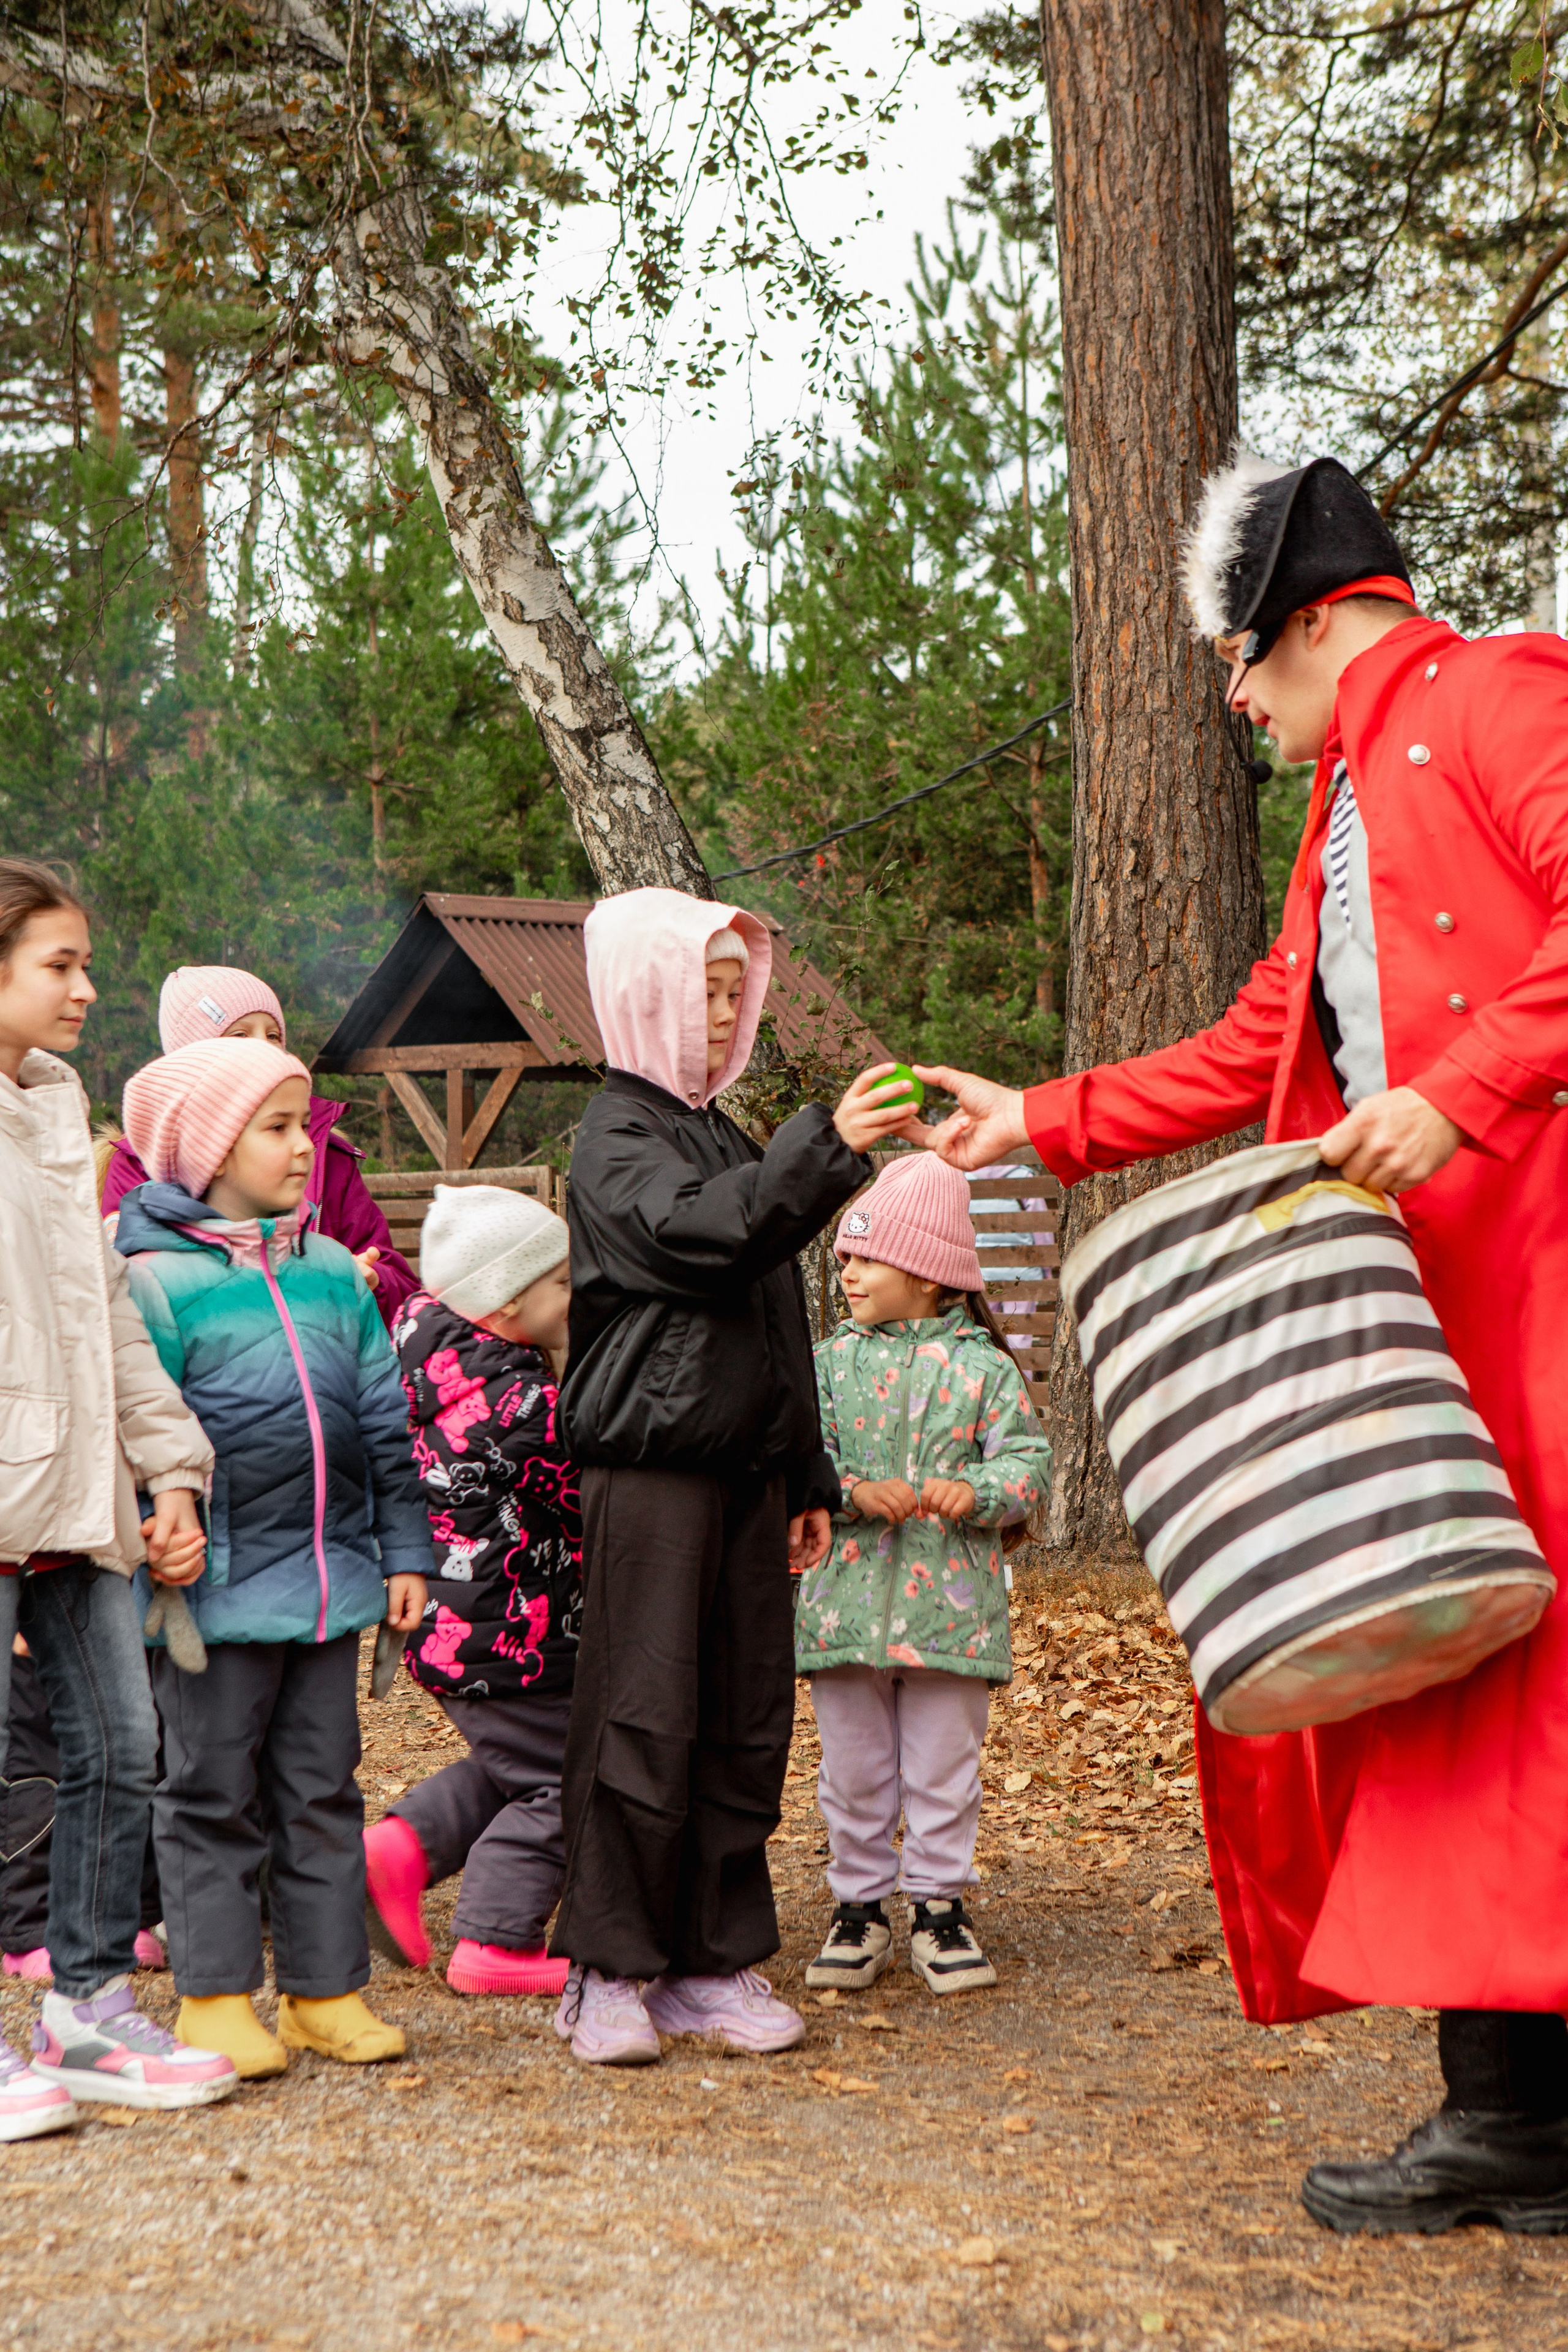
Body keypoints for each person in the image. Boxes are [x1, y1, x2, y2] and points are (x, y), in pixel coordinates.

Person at [910, 450, 1568, 2234]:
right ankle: (1510, 2116)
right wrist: (1029, 1117)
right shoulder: (1345, 793)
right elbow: (1252, 1043)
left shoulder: (1495, 693)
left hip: (1540, 1276)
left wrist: (1465, 1091)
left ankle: (1517, 2120)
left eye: (1233, 650)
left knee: (1516, 1691)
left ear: (1305, 617)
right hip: (1446, 1305)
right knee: (1457, 1684)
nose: (1225, 687)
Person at [547, 888, 919, 2065]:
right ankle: (610, 1968)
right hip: (653, 1478)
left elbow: (776, 1319)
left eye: (730, 992)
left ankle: (710, 1964)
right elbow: (705, 1236)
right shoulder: (615, 1139)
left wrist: (805, 1470)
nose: (720, 1014)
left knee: (742, 1722)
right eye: (698, 992)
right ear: (639, 994)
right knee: (644, 1716)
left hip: (749, 1481)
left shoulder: (727, 1134)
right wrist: (835, 1145)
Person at [116, 1036, 430, 2078]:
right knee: (208, 1792)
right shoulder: (150, 1281)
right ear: (210, 1147)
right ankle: (212, 1998)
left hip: (328, 1589)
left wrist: (403, 1552)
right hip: (206, 1599)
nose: (306, 1149)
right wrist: (155, 1538)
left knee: (322, 1789)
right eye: (279, 1128)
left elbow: (386, 1424)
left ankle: (323, 1992)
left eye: (305, 1125)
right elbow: (132, 1429)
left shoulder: (334, 1273)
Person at [0, 859, 237, 2139]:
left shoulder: (48, 1112)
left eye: (85, 963)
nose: (89, 989)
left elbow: (104, 1325)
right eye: (59, 965)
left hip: (78, 1504)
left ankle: (86, 2005)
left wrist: (174, 1468)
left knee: (121, 1750)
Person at [797, 1153, 1051, 1997]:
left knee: (944, 1768)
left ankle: (940, 1909)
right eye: (844, 1257)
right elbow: (802, 1462)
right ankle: (859, 1908)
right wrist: (850, 1490)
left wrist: (974, 1490)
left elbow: (1028, 1467)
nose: (849, 1271)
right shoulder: (829, 1365)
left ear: (933, 1276)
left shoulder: (982, 1370)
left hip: (952, 1619)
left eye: (867, 1257)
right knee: (855, 1769)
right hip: (844, 1611)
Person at [364, 1183, 579, 1998]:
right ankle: (496, 1941)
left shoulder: (439, 1378)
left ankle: (393, 1855)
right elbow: (588, 1497)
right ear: (509, 1300)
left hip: (462, 1628)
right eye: (560, 1283)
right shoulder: (520, 1403)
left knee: (513, 1769)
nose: (573, 1295)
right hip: (515, 1633)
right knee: (564, 1780)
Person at [101, 964, 417, 1328]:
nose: (263, 1049)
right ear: (192, 1063)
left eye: (273, 1036)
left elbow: (398, 1286)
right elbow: (128, 1298)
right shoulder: (139, 1166)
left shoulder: (322, 1153)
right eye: (239, 1036)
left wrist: (371, 1284)